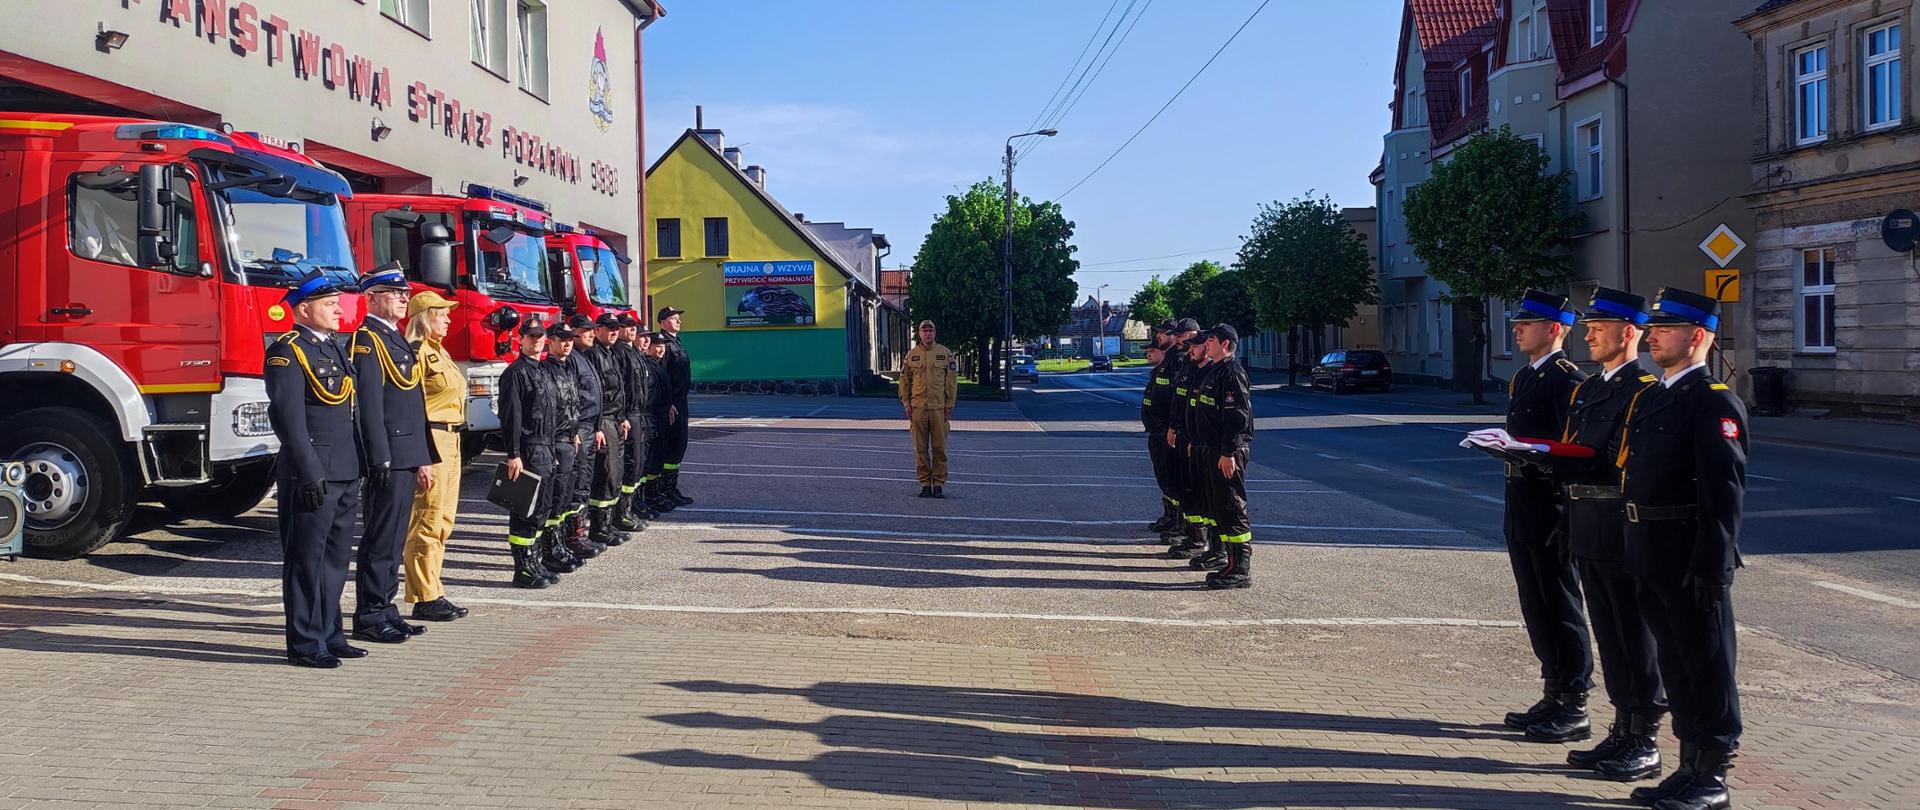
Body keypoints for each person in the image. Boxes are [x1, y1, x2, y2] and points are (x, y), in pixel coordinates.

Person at [1619, 288, 1747, 810]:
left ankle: (1713, 775)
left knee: (1707, 664)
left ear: (1696, 337)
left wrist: (1714, 565)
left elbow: (1724, 491)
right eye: (1651, 328)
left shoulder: (1713, 400)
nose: (1652, 336)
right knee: (1674, 663)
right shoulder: (1653, 395)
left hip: (1689, 552)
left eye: (1664, 329)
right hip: (1649, 547)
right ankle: (1687, 765)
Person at [1550, 288, 1666, 777]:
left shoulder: (1644, 390)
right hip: (1587, 526)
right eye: (1589, 324)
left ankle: (1644, 737)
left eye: (1600, 325)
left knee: (1636, 636)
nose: (1589, 332)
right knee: (1610, 635)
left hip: (1620, 528)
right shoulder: (1590, 388)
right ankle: (1620, 729)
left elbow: (1622, 462)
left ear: (1630, 332)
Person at [1499, 290, 1595, 741]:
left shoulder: (1567, 381)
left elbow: (1571, 451)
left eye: (1527, 323)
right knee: (1534, 603)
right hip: (1522, 506)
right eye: (1518, 322)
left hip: (1552, 509)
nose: (1517, 328)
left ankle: (1574, 700)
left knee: (1561, 603)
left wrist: (1567, 514)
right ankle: (1552, 690)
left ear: (1554, 330)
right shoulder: (1523, 378)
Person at [265, 270, 364, 668]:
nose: (338, 309)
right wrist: (308, 472)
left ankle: (330, 633)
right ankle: (306, 643)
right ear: (303, 309)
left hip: (343, 467)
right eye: (329, 304)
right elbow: (288, 419)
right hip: (312, 471)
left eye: (337, 303)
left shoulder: (332, 347)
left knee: (336, 560)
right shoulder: (287, 351)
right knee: (307, 561)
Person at [348, 265, 435, 645]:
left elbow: (412, 405)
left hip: (405, 451)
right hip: (388, 454)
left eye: (404, 293)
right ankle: (369, 613)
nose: (403, 298)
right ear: (371, 297)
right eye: (394, 292)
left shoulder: (393, 338)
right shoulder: (367, 340)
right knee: (380, 537)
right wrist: (379, 456)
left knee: (395, 536)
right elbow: (369, 406)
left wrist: (421, 455)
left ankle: (386, 608)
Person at [402, 290, 468, 622]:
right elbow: (410, 409)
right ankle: (424, 596)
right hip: (432, 439)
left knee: (443, 521)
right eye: (442, 314)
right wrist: (420, 455)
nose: (448, 318)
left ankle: (434, 588)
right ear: (427, 316)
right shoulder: (416, 354)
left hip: (451, 439)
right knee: (426, 520)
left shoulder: (440, 353)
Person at [1187, 325, 1254, 589]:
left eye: (1212, 340)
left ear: (1225, 344)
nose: (1207, 345)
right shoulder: (1215, 370)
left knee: (1232, 506)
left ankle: (1240, 569)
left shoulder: (1231, 371)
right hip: (1212, 449)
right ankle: (1227, 561)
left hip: (1226, 451)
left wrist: (1228, 452)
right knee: (1218, 507)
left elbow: (1237, 415)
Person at [497, 318, 560, 588]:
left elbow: (551, 413)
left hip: (546, 446)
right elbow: (511, 416)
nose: (535, 341)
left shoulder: (543, 371)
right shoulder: (515, 373)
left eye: (539, 336)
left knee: (542, 508)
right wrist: (513, 453)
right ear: (520, 340)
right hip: (528, 448)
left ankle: (534, 562)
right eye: (530, 336)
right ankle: (522, 568)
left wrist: (554, 448)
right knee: (525, 509)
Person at [539, 321, 586, 575]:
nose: (567, 343)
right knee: (552, 497)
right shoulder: (545, 369)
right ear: (551, 341)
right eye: (561, 339)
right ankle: (548, 550)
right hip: (554, 441)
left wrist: (575, 432)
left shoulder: (568, 368)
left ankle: (557, 544)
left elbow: (572, 405)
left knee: (564, 496)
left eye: (570, 339)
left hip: (569, 439)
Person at [561, 314, 608, 560]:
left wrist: (597, 427)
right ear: (575, 332)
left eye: (593, 330)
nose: (592, 334)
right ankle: (573, 537)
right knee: (577, 484)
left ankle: (580, 533)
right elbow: (571, 399)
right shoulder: (572, 360)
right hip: (579, 429)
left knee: (584, 482)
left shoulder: (584, 358)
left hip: (590, 427)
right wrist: (574, 430)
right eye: (587, 330)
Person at [1166, 319, 1213, 562]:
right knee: (1185, 487)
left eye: (1186, 336)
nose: (1181, 340)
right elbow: (1179, 399)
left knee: (1200, 493)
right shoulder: (1186, 362)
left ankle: (1199, 540)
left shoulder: (1209, 369)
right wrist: (1174, 426)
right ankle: (1192, 534)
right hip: (1185, 434)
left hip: (1198, 440)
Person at [583, 312, 630, 546]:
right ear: (597, 330)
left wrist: (622, 417)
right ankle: (598, 528)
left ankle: (608, 523)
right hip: (603, 422)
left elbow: (617, 390)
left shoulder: (610, 353)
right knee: (606, 474)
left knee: (615, 473)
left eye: (615, 328)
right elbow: (595, 395)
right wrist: (598, 425)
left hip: (615, 420)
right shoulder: (593, 354)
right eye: (608, 328)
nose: (613, 332)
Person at [899, 320, 957, 498]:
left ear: (935, 332)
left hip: (939, 408)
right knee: (920, 448)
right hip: (918, 409)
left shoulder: (945, 353)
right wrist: (907, 404)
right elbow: (904, 381)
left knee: (939, 448)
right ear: (919, 333)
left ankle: (938, 484)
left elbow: (952, 382)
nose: (927, 334)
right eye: (924, 331)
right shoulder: (912, 355)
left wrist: (950, 404)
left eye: (930, 330)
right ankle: (925, 483)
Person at [1140, 320, 1181, 541]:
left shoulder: (1176, 361)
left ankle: (1179, 521)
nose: (1159, 337)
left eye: (1163, 334)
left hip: (1167, 430)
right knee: (1163, 475)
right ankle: (1170, 515)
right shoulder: (1166, 364)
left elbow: (1177, 399)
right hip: (1157, 430)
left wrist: (1172, 427)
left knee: (1173, 477)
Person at [612, 313, 653, 529]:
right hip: (629, 415)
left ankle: (630, 508)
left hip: (639, 413)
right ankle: (622, 513)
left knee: (638, 462)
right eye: (627, 326)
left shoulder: (634, 353)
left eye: (633, 326)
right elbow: (620, 389)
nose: (632, 330)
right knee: (629, 463)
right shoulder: (620, 352)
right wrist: (623, 416)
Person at [657, 306, 695, 506]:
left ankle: (671, 487)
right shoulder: (664, 344)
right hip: (673, 402)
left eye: (678, 318)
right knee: (672, 446)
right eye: (673, 318)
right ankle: (665, 489)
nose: (678, 321)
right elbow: (663, 376)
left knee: (680, 445)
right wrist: (669, 402)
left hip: (681, 400)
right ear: (663, 323)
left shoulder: (675, 342)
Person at [639, 331, 674, 510]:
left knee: (658, 456)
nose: (661, 349)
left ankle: (655, 493)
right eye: (657, 346)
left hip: (660, 416)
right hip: (650, 416)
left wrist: (670, 405)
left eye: (663, 346)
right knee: (649, 459)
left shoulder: (659, 365)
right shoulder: (647, 365)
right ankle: (647, 497)